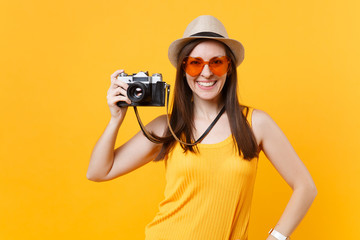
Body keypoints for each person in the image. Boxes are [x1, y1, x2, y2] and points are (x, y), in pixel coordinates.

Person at [87, 15, 317, 240]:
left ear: (229, 68)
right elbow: (98, 172)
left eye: (216, 62)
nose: (206, 73)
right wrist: (116, 119)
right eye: (195, 63)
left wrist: (277, 237)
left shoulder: (255, 123)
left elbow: (305, 187)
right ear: (183, 68)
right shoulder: (168, 127)